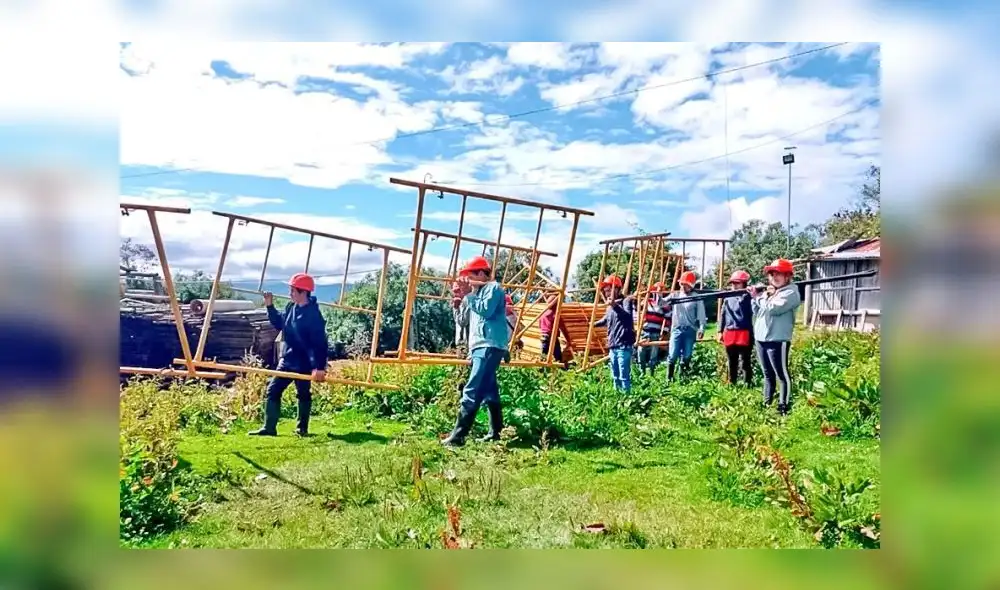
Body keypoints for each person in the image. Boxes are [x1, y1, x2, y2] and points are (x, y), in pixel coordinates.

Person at [249, 273, 329, 437]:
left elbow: (320, 343)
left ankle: (302, 429)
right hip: (287, 360)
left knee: (303, 394)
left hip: (304, 362)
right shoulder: (290, 307)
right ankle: (269, 428)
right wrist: (270, 306)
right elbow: (279, 323)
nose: (289, 294)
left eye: (292, 291)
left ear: (303, 292)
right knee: (273, 391)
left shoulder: (314, 316)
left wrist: (319, 367)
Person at [444, 255, 509, 447]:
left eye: (470, 276)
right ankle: (496, 432)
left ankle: (458, 437)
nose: (468, 281)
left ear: (482, 273)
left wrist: (468, 295)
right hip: (481, 347)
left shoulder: (493, 289)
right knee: (490, 391)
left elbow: (486, 311)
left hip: (489, 346)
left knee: (472, 389)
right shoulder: (477, 293)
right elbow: (470, 324)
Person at [749, 258, 802, 415]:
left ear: (787, 276)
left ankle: (783, 407)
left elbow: (773, 309)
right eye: (771, 275)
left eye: (779, 274)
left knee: (782, 375)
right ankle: (767, 404)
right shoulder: (770, 293)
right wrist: (756, 298)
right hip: (761, 338)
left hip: (777, 339)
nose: (774, 277)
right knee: (767, 374)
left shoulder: (791, 292)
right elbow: (758, 312)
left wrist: (759, 298)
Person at [593, 274, 636, 392]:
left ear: (617, 289)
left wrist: (615, 305)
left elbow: (627, 318)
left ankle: (627, 400)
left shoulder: (625, 301)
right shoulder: (609, 306)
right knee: (615, 376)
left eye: (609, 290)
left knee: (624, 376)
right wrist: (593, 324)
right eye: (605, 291)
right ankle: (617, 399)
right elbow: (606, 320)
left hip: (624, 345)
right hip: (613, 345)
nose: (607, 293)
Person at [665, 271, 707, 383]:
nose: (684, 287)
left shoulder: (696, 297)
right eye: (682, 284)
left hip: (690, 330)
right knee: (673, 354)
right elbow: (662, 304)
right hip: (677, 329)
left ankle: (683, 378)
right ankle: (669, 379)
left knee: (687, 355)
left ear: (691, 286)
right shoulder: (675, 295)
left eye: (686, 285)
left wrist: (701, 328)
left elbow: (701, 315)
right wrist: (658, 296)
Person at [718, 270, 755, 387]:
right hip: (730, 332)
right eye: (733, 283)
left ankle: (747, 383)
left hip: (744, 332)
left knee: (745, 361)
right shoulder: (727, 297)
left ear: (744, 283)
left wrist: (750, 292)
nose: (734, 285)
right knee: (731, 361)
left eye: (737, 283)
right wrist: (720, 330)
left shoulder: (748, 297)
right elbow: (723, 314)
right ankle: (732, 383)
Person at [637, 281, 670, 376]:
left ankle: (652, 374)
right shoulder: (647, 302)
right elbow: (637, 307)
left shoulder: (664, 305)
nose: (660, 293)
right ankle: (641, 373)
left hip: (656, 332)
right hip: (645, 331)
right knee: (641, 352)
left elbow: (668, 319)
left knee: (653, 354)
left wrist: (664, 332)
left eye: (661, 291)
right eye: (658, 290)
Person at [538, 291, 574, 369]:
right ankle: (560, 370)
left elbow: (540, 325)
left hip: (543, 336)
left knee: (544, 354)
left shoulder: (543, 314)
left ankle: (541, 371)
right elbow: (563, 328)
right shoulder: (556, 315)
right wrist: (568, 340)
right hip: (551, 337)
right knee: (557, 355)